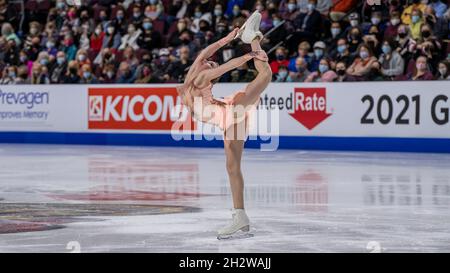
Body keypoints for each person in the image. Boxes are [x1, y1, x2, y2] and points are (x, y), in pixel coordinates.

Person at [176, 11, 271, 239]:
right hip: (227, 118)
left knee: (265, 73)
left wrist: (251, 54)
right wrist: (227, 39)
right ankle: (240, 217)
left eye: (210, 65)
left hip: (229, 113)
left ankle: (253, 36)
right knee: (232, 167)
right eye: (209, 62)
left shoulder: (199, 78)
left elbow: (227, 66)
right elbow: (205, 53)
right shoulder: (193, 76)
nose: (209, 61)